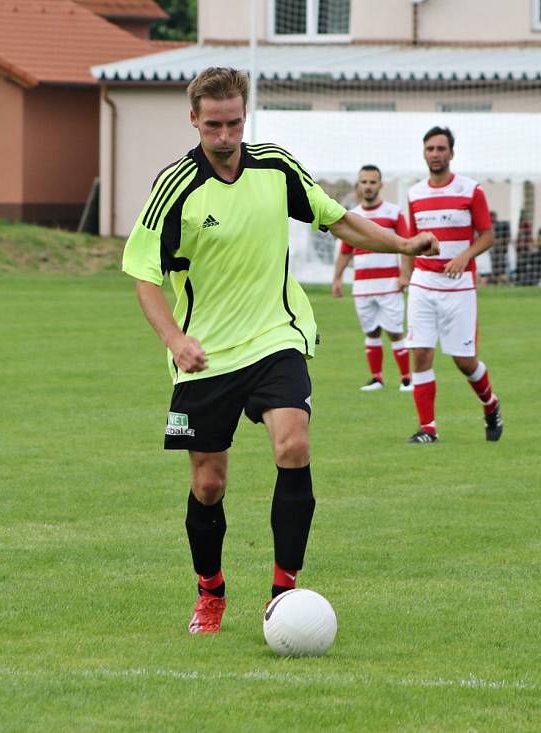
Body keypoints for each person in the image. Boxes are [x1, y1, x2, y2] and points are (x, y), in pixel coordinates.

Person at [122, 67, 438, 635]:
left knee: (293, 445)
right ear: (194, 120)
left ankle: (283, 594)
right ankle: (210, 592)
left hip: (278, 337)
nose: (225, 136)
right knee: (208, 484)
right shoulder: (173, 189)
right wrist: (175, 339)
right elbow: (145, 277)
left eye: (235, 123)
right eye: (213, 125)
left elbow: (338, 220)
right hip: (207, 354)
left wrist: (402, 244)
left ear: (246, 117)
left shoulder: (275, 166)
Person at [404, 126, 502, 444]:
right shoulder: (415, 194)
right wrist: (406, 274)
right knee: (419, 353)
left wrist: (464, 256)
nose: (435, 154)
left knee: (464, 361)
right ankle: (428, 428)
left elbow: (487, 235)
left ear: (451, 153)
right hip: (423, 283)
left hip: (459, 287)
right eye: (430, 149)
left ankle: (490, 404)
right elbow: (410, 240)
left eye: (441, 148)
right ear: (424, 153)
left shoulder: (471, 190)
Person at [332, 165, 413, 392]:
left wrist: (404, 275)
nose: (367, 186)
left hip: (389, 284)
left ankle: (407, 379)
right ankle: (377, 378)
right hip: (363, 286)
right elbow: (346, 251)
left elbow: (407, 246)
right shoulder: (353, 216)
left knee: (395, 330)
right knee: (371, 331)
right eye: (364, 182)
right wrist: (337, 278)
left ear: (381, 185)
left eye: (372, 182)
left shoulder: (394, 213)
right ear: (359, 185)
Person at [488, 210, 509, 284]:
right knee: (494, 264)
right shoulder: (489, 226)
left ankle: (501, 280)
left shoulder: (501, 225)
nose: (492, 218)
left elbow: (506, 237)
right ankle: (495, 280)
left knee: (501, 264)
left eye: (493, 216)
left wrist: (502, 244)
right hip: (493, 249)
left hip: (500, 250)